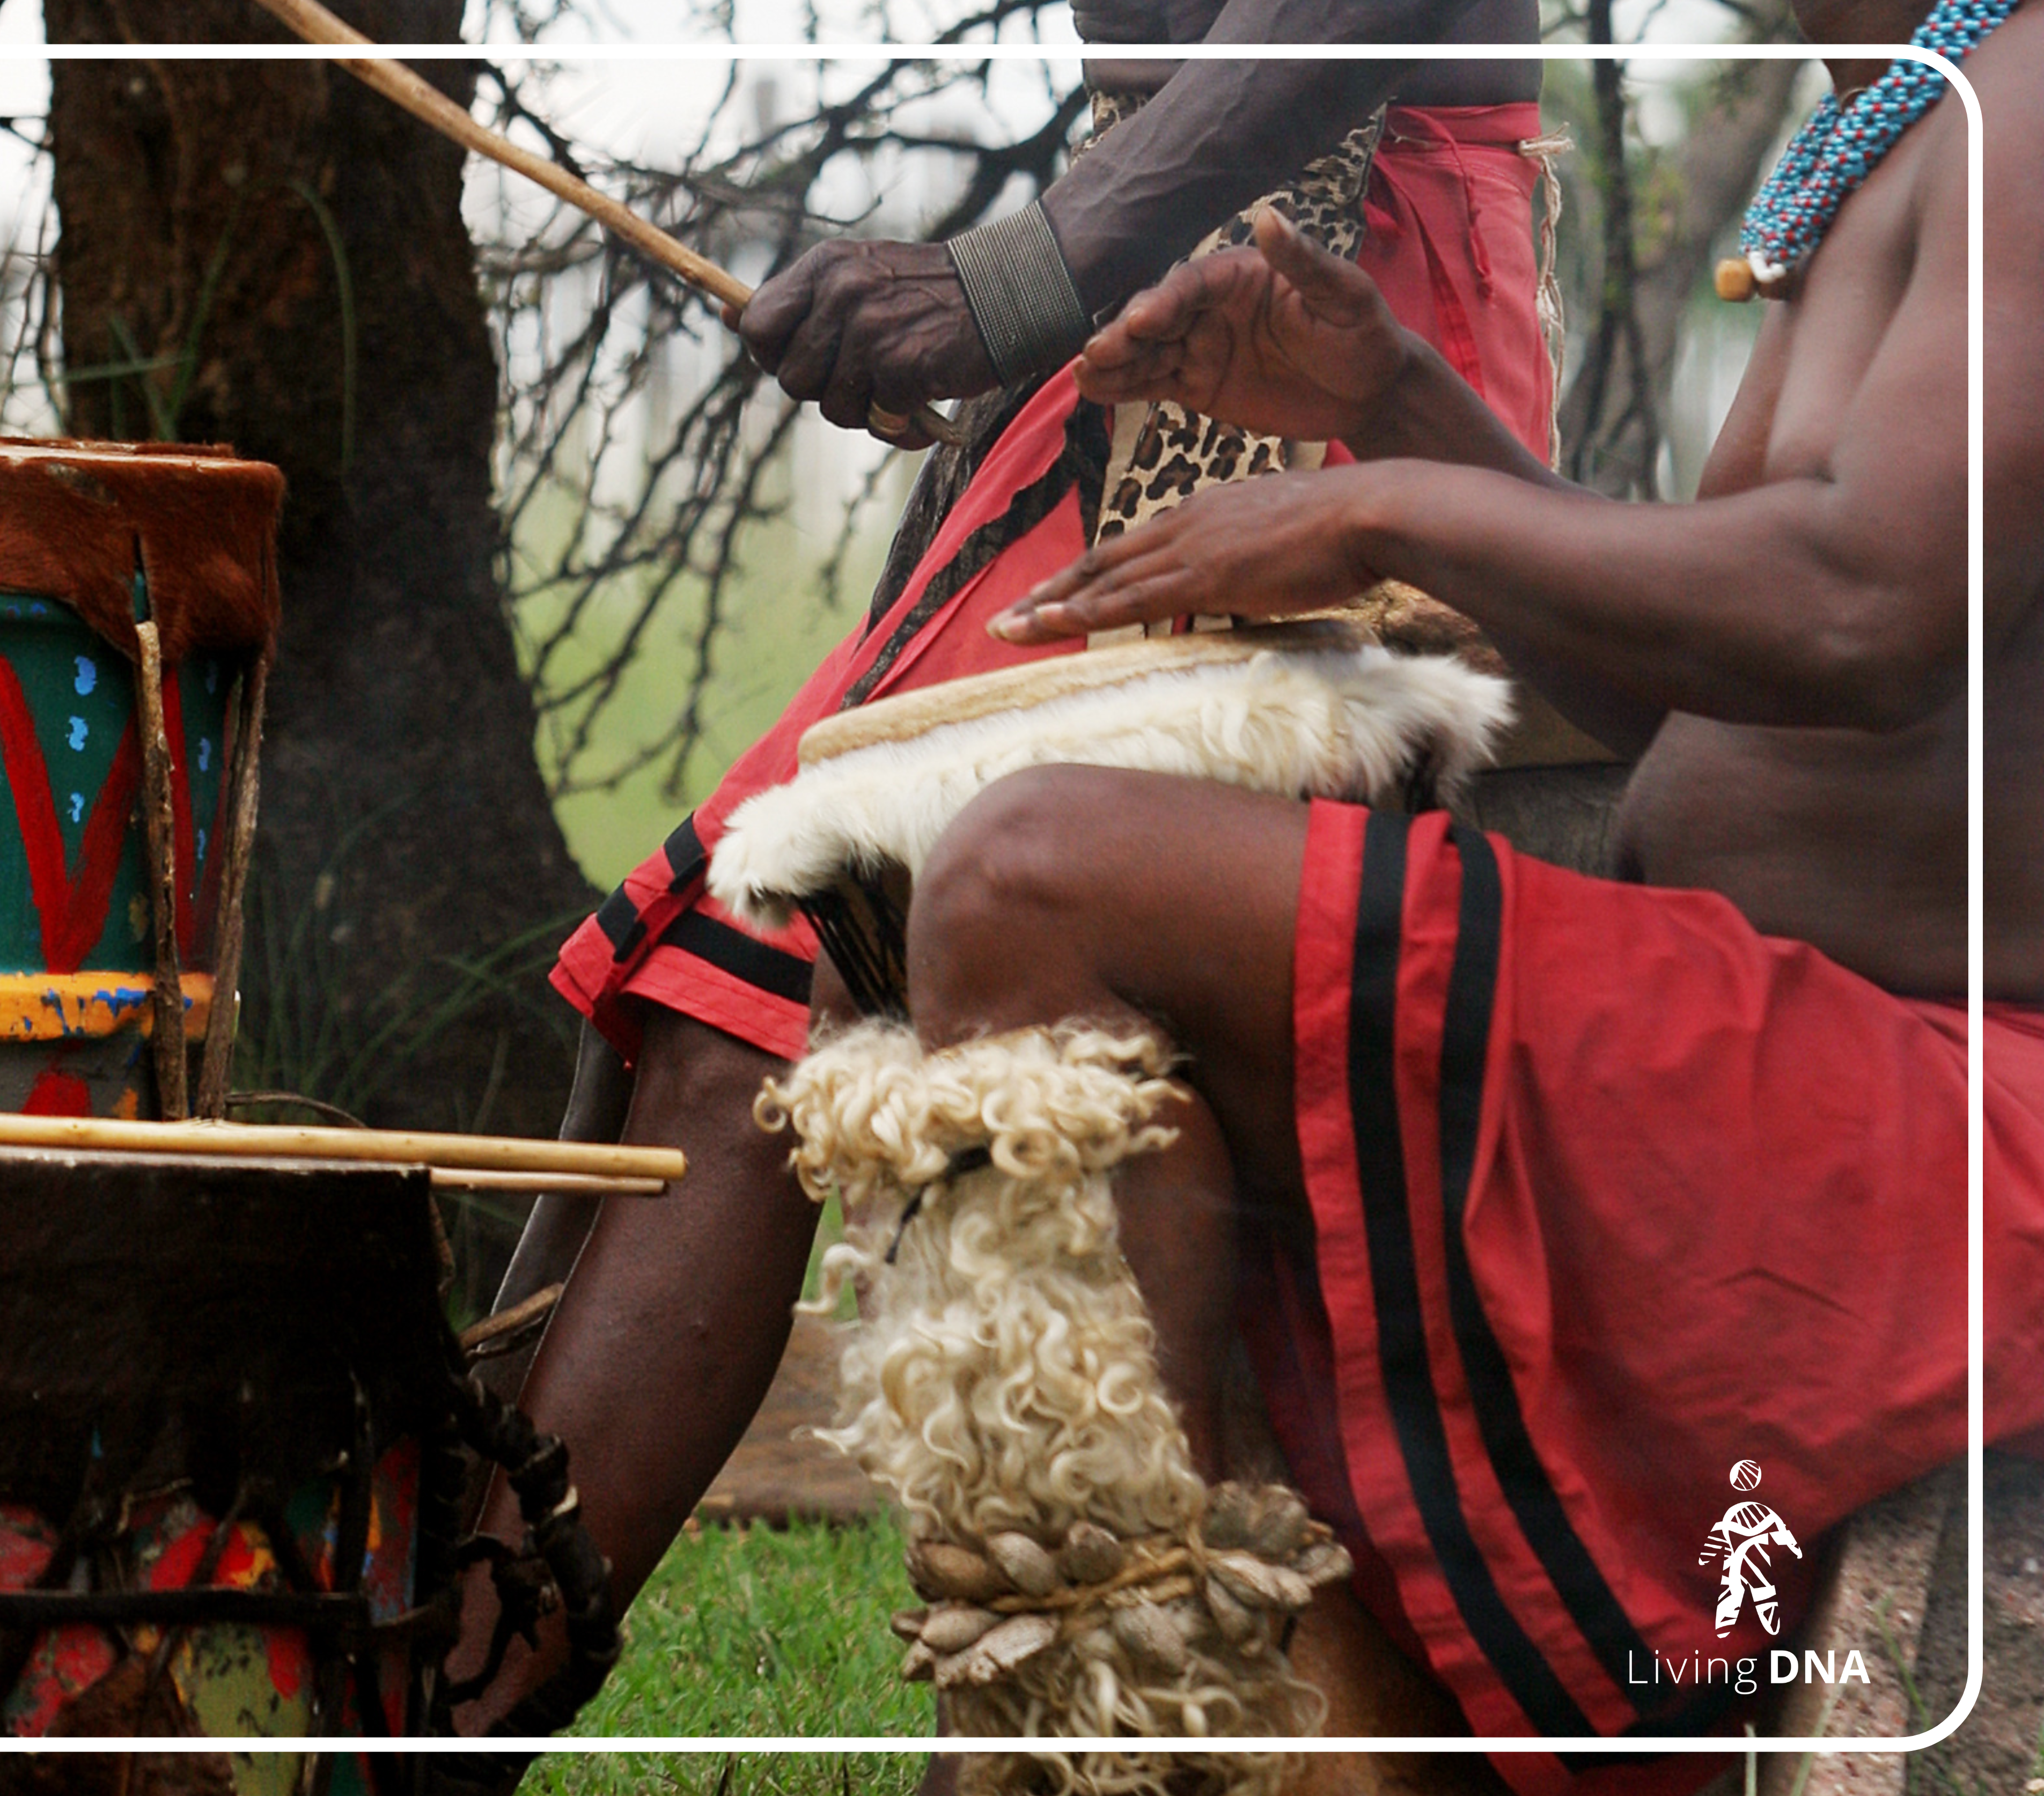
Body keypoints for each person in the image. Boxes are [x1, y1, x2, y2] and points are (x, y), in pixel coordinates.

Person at [872, 0, 2037, 1778]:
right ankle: (1134, 1730)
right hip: (1789, 1059)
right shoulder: (1917, 109)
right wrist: (1392, 399)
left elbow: (1862, 611)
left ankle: (1082, 1748)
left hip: (1934, 1129)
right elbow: (1730, 697)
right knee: (1051, 916)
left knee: (1035, 880)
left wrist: (1386, 508)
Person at [463, 0, 1571, 1737]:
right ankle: (410, 1720)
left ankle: (1039, 1740)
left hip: (1329, 316)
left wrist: (1021, 272)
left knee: (878, 977)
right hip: (1140, 293)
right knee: (712, 998)